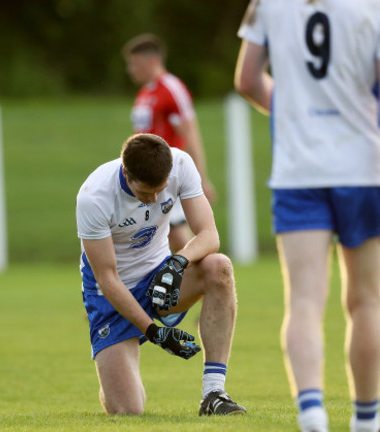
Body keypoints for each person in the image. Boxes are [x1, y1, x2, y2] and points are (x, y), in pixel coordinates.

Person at [235, 1, 380, 431]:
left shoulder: (268, 3)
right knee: (367, 301)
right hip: (363, 169)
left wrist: (295, 110)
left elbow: (246, 80)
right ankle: (367, 419)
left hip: (298, 172)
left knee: (302, 301)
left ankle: (312, 411)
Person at [76, 133, 246, 416]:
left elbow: (209, 234)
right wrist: (154, 331)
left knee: (219, 267)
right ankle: (111, 363)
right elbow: (108, 279)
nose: (154, 199)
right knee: (128, 410)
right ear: (126, 173)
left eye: (160, 190)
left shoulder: (180, 164)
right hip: (113, 293)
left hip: (161, 275)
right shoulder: (94, 198)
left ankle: (214, 393)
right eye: (145, 193)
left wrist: (177, 263)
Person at [122, 34, 216, 253]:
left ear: (152, 60)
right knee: (160, 235)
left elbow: (190, 133)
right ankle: (195, 279)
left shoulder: (171, 88)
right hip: (144, 173)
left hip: (165, 171)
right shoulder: (146, 92)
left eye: (134, 63)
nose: (131, 69)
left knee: (176, 233)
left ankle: (209, 276)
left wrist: (201, 177)